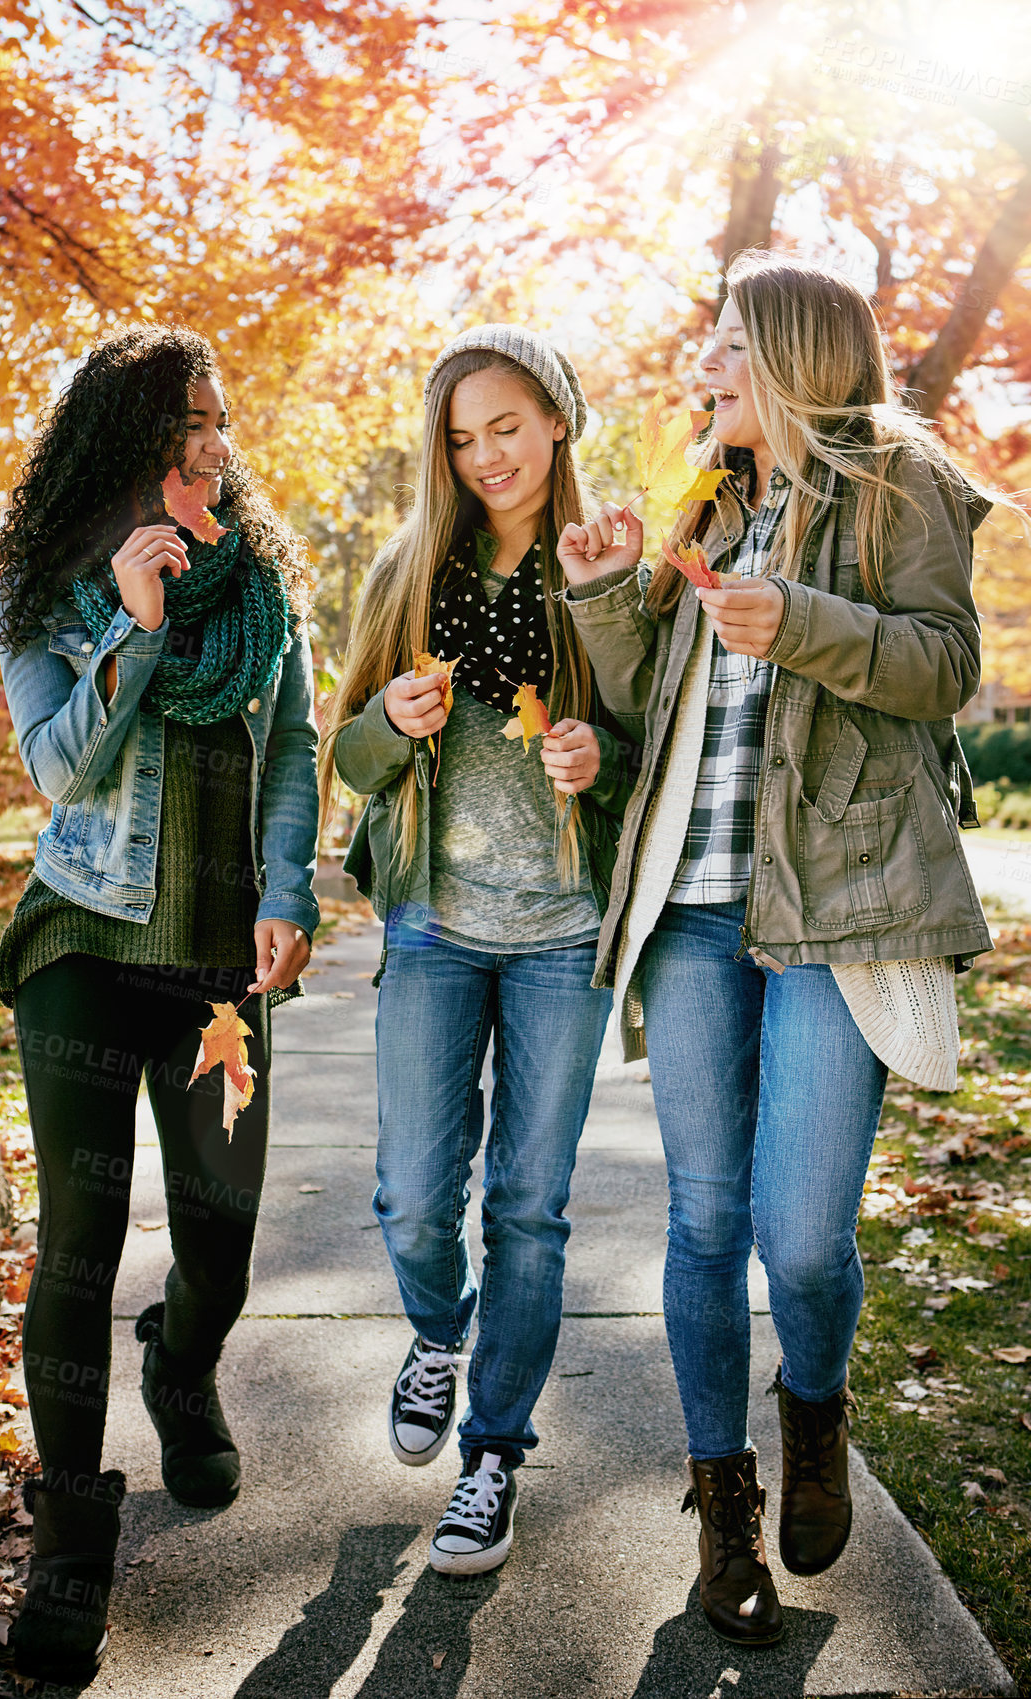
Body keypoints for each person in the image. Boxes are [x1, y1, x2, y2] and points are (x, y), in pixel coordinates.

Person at [558, 251, 998, 1644]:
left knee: (802, 1238)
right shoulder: (717, 503)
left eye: (732, 344)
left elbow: (945, 664)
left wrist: (802, 624)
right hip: (694, 910)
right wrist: (606, 596)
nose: (709, 365)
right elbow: (658, 715)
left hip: (838, 906)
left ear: (797, 355)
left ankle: (814, 1408)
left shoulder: (894, 483)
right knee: (702, 1219)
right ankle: (724, 1507)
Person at [0, 324, 319, 1682]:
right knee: (75, 1238)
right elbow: (59, 772)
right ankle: (68, 1545)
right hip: (82, 951)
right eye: (186, 420)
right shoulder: (51, 598)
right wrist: (131, 622)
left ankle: (182, 1363)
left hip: (216, 981)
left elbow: (292, 748)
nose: (211, 441)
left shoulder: (263, 596)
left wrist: (286, 886)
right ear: (123, 443)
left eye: (217, 418)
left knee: (223, 1228)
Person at [320, 325, 631, 1575]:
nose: (487, 454)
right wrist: (390, 723)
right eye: (462, 436)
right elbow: (345, 754)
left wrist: (599, 762)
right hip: (437, 926)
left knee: (532, 1209)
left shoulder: (607, 565)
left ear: (557, 419)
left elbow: (654, 746)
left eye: (507, 425)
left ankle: (494, 1452)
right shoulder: (411, 568)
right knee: (409, 1196)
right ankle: (438, 1331)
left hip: (564, 932)